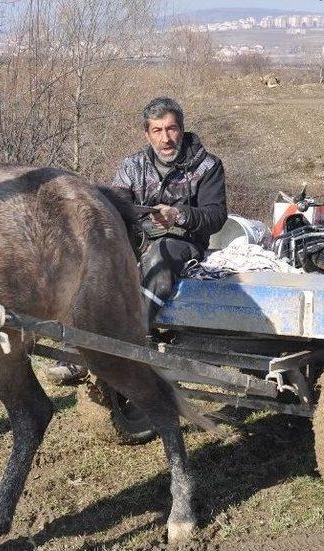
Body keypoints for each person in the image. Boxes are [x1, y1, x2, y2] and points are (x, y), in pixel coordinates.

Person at [45, 97, 227, 384]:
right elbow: (114, 207)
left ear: (182, 129)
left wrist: (178, 216)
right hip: (138, 238)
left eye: (171, 129)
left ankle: (130, 337)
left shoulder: (208, 166)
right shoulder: (132, 166)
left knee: (161, 255)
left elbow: (216, 216)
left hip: (184, 243)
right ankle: (75, 353)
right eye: (157, 130)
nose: (166, 138)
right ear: (147, 133)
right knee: (95, 264)